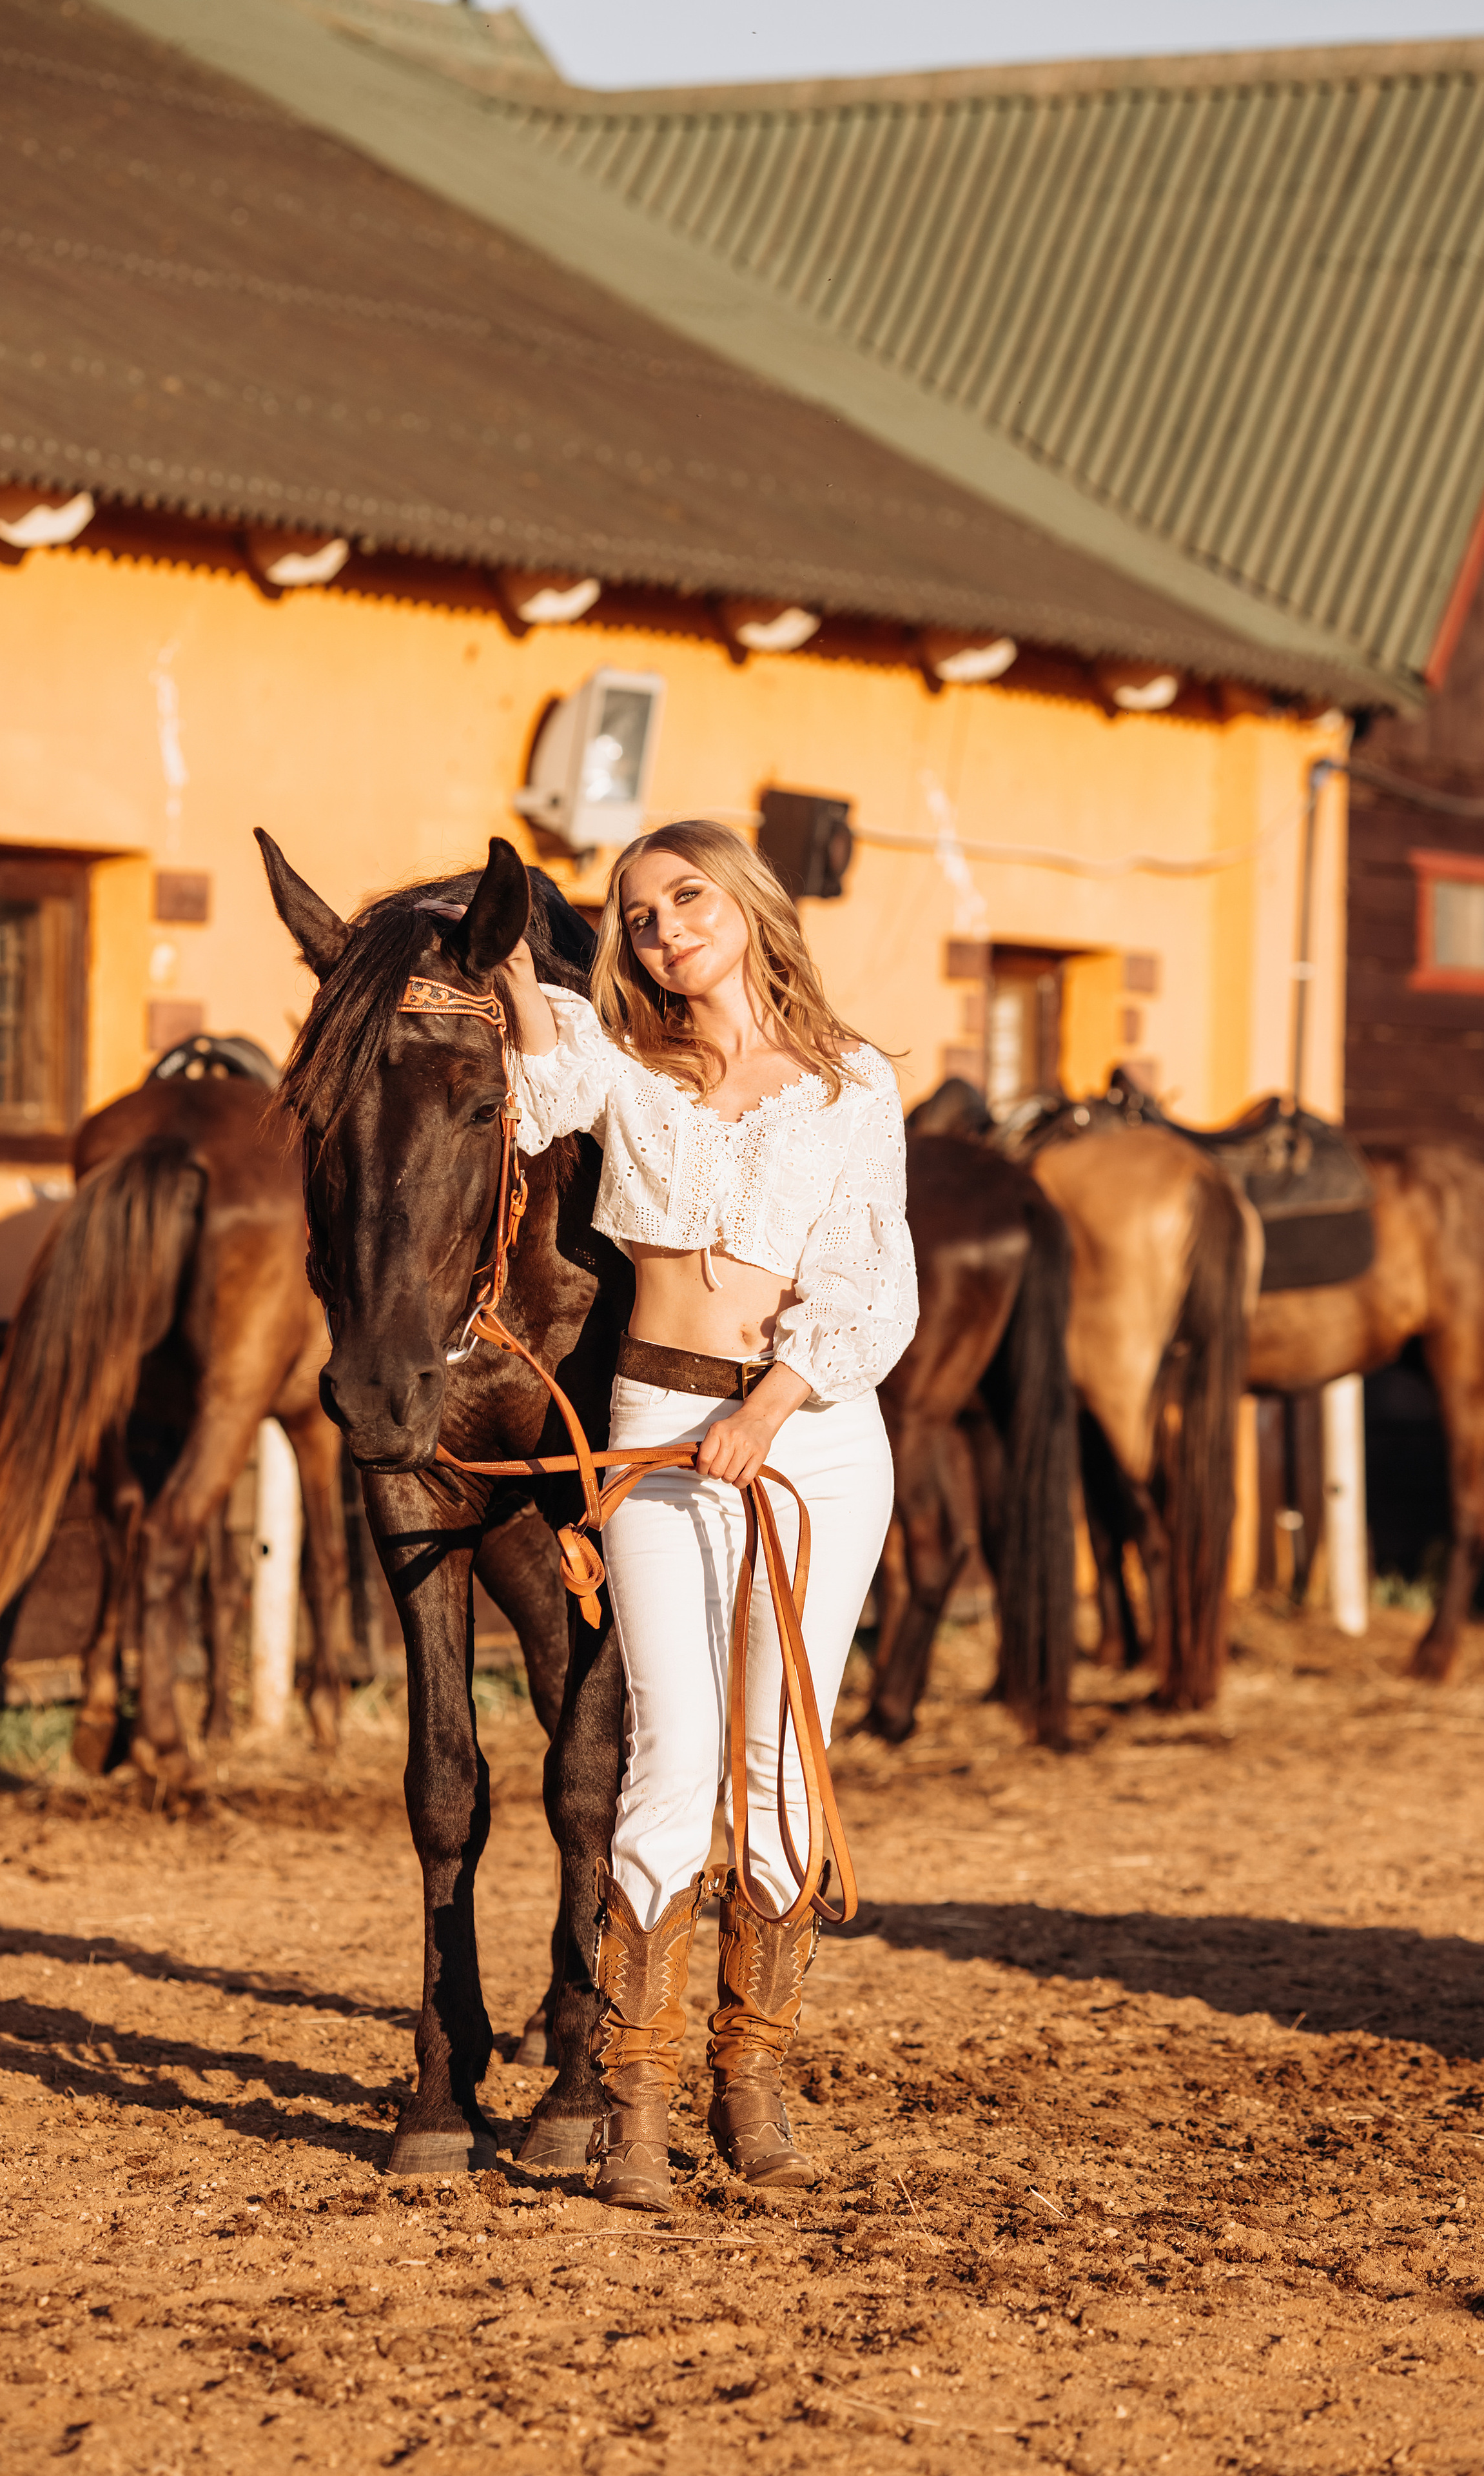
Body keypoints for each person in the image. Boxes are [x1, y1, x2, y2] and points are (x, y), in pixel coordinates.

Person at [502, 818, 918, 2210]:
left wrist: (770, 1406)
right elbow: (531, 1086)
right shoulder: (617, 1061)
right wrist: (508, 959)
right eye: (633, 913)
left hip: (810, 1442)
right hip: (654, 1428)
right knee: (670, 1758)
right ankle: (632, 2102)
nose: (662, 926)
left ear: (743, 902)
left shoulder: (853, 1081)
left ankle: (751, 2081)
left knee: (779, 1766)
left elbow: (867, 1278)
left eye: (684, 897)